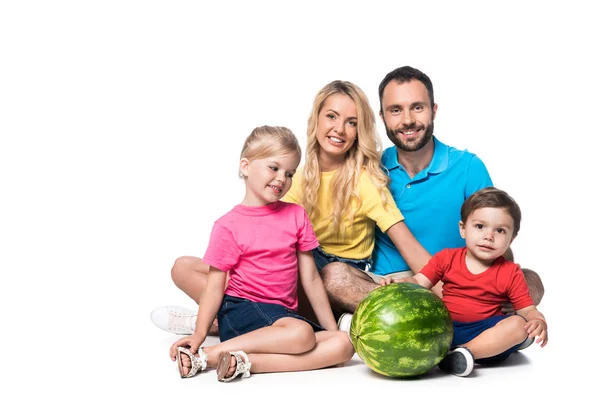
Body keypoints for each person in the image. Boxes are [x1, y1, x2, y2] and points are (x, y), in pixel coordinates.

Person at [151, 80, 430, 333]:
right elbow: (263, 233)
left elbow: (403, 239)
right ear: (316, 120)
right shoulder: (293, 176)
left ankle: (222, 322)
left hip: (331, 278)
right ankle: (216, 321)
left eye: (351, 122)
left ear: (360, 131)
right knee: (184, 268)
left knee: (326, 272)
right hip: (288, 278)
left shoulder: (364, 181)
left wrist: (438, 284)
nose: (339, 129)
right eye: (331, 116)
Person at [332, 66, 544, 331]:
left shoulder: (468, 167)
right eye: (396, 110)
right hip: (390, 286)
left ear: (433, 110)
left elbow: (495, 228)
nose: (407, 120)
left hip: (461, 282)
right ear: (383, 117)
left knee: (530, 281)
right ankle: (461, 325)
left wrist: (501, 275)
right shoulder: (370, 168)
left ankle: (399, 324)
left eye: (417, 107)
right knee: (334, 276)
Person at [169, 125, 354, 382]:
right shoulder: (228, 225)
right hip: (242, 312)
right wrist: (200, 334)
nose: (282, 178)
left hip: (282, 319)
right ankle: (209, 354)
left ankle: (244, 362)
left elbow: (310, 280)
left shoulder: (296, 215)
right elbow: (214, 285)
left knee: (343, 346)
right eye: (274, 168)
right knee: (302, 335)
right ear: (245, 166)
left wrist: (332, 330)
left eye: (289, 173)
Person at [383, 187, 548, 377]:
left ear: (512, 239)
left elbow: (526, 310)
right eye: (480, 226)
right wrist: (399, 282)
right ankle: (459, 354)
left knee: (519, 325)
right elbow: (418, 282)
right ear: (463, 229)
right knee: (414, 320)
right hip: (446, 329)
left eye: (500, 230)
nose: (489, 236)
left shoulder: (511, 272)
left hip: (488, 336)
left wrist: (537, 319)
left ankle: (464, 354)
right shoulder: (446, 258)